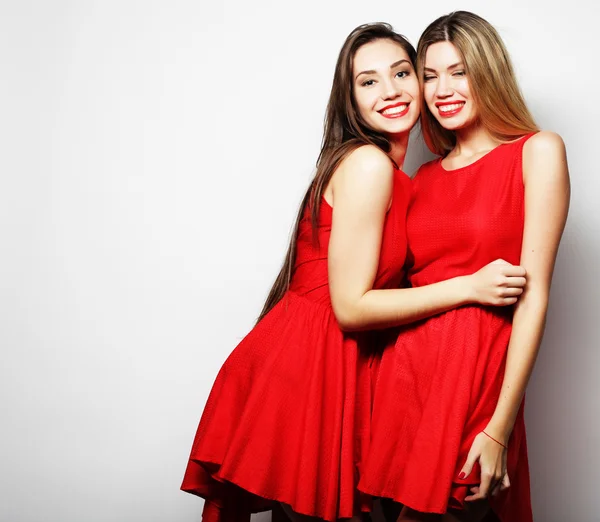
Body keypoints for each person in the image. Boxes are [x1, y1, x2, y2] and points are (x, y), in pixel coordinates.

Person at [181, 22, 527, 522]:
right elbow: (351, 307)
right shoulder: (369, 165)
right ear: (351, 100)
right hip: (311, 366)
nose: (390, 91)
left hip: (332, 362)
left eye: (402, 73)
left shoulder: (401, 175)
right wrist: (470, 287)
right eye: (368, 81)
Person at [359, 11, 570, 522]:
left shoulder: (537, 151)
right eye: (429, 75)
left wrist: (499, 426)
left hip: (476, 382)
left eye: (458, 71)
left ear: (488, 72)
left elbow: (535, 294)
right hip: (401, 381)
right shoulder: (421, 177)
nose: (440, 89)